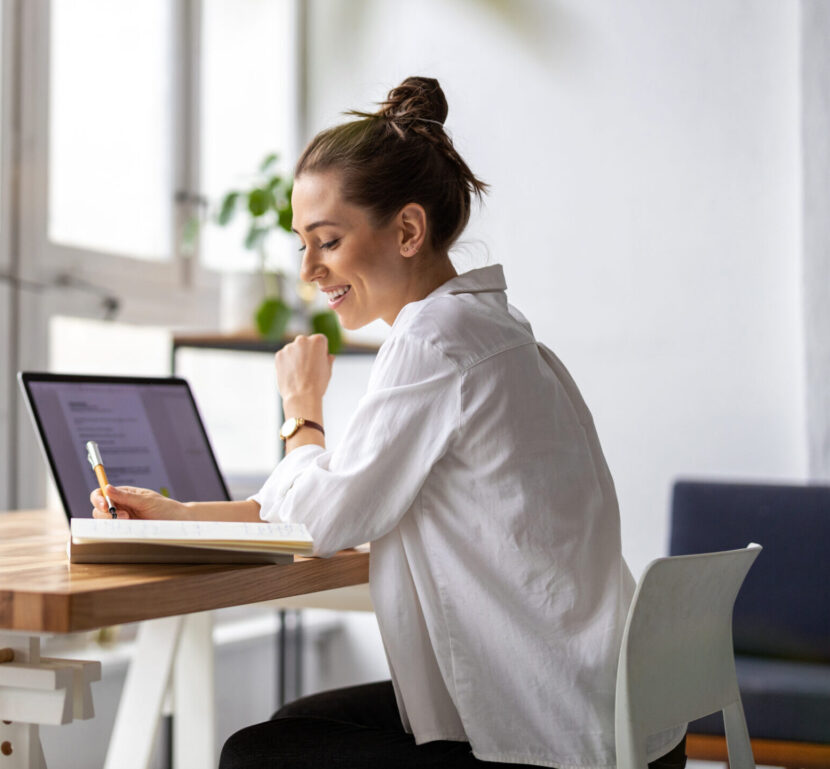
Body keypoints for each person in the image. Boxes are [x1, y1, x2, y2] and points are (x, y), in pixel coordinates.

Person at [90, 76, 688, 769]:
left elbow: (322, 521)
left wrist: (300, 411)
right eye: (301, 245)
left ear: (407, 229)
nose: (310, 268)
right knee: (296, 724)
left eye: (328, 241)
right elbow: (338, 497)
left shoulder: (434, 341)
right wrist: (179, 513)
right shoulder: (491, 328)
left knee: (257, 754)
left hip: (556, 735)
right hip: (613, 713)